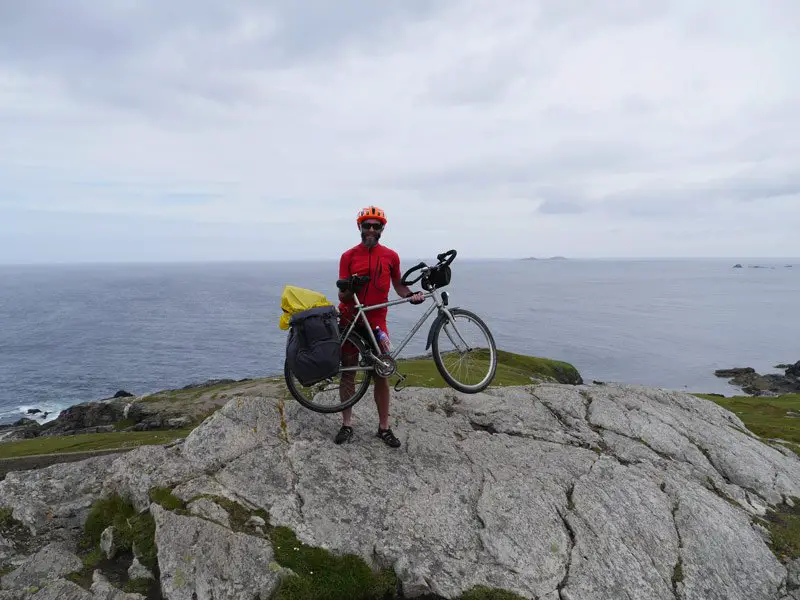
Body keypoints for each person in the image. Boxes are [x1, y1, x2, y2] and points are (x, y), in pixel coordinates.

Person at [335, 206, 424, 447]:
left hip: (376, 323)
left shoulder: (391, 256)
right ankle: (347, 424)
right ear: (359, 228)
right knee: (349, 371)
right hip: (350, 320)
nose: (371, 230)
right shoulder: (348, 256)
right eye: (367, 225)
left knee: (381, 375)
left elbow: (399, 286)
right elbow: (343, 296)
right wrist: (352, 285)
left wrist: (412, 296)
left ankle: (384, 428)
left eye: (376, 226)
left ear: (382, 229)